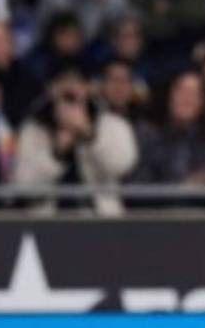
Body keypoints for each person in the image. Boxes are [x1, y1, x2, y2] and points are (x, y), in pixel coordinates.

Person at [13, 63, 137, 215]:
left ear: (88, 89)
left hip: (101, 220)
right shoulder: (33, 129)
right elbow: (24, 187)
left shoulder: (111, 124)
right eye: (62, 84)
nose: (70, 89)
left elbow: (121, 165)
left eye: (76, 83)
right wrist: (57, 152)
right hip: (49, 224)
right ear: (50, 91)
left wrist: (90, 134)